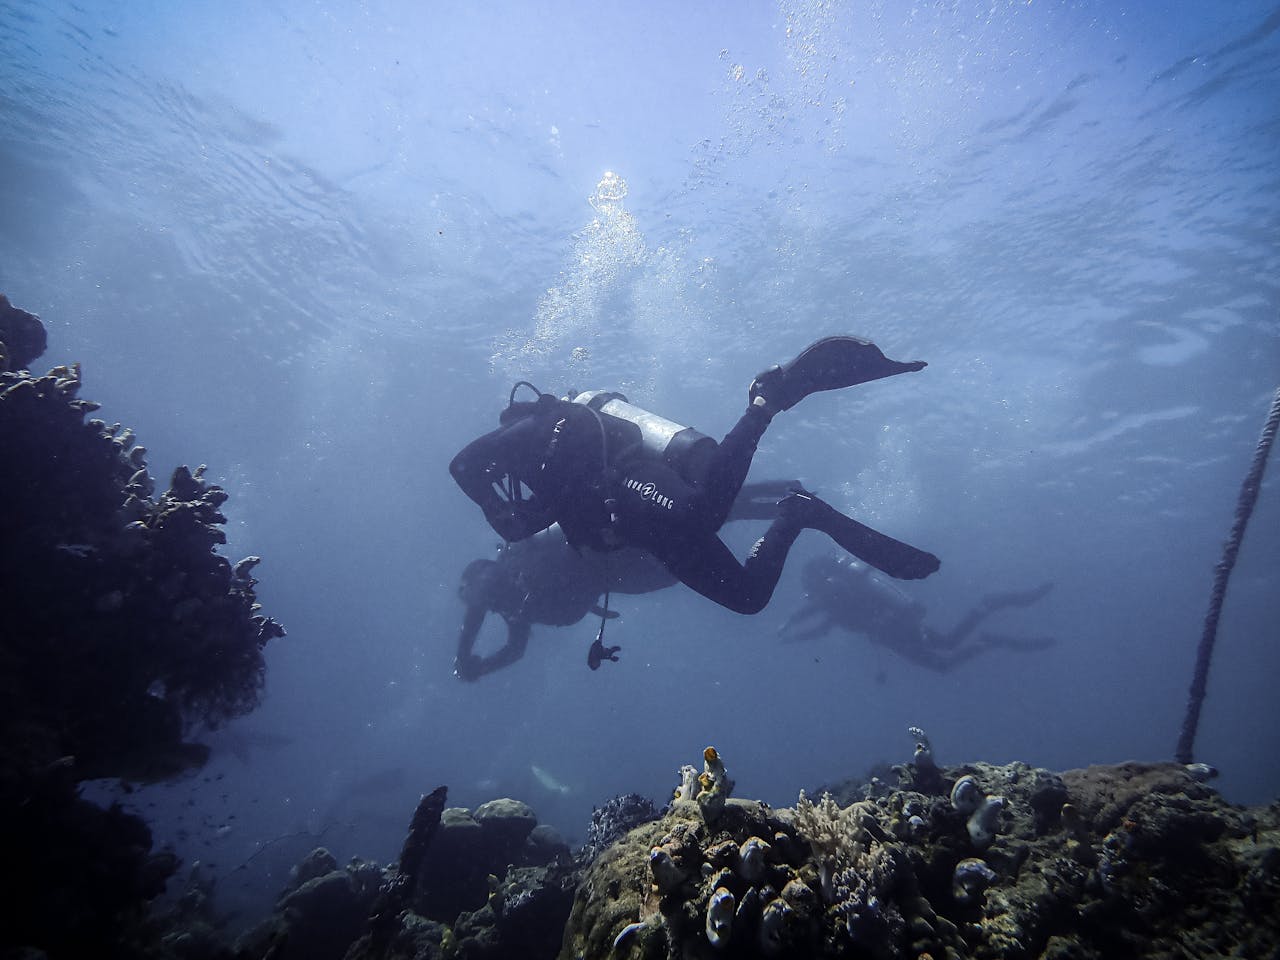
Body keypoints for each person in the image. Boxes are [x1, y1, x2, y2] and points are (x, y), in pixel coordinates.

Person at [449, 335, 940, 624]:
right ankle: (799, 513)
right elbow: (549, 517)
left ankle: (766, 400)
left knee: (703, 511)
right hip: (644, 531)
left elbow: (463, 465)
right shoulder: (537, 476)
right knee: (747, 598)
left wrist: (496, 513)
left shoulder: (527, 434)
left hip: (628, 479)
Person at [453, 481, 795, 680]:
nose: (494, 606)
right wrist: (472, 661)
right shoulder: (516, 600)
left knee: (702, 519)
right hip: (630, 567)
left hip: (628, 557)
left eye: (491, 599)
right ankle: (789, 502)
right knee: (704, 521)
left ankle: (790, 503)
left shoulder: (519, 567)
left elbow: (488, 611)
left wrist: (472, 661)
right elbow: (502, 633)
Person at [780, 554, 1055, 672]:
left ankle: (990, 623)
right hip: (892, 630)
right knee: (946, 650)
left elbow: (821, 620)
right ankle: (989, 619)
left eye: (812, 588)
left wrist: (791, 634)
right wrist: (791, 628)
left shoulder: (836, 596)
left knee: (944, 658)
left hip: (896, 627)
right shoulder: (834, 597)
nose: (811, 594)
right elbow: (819, 618)